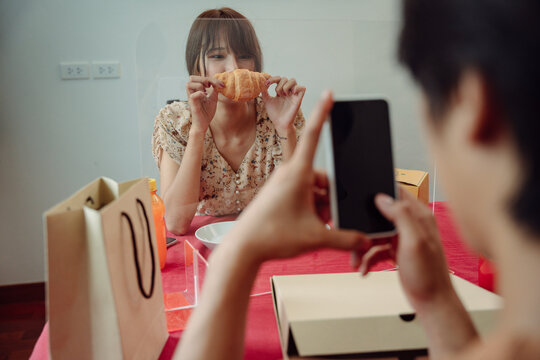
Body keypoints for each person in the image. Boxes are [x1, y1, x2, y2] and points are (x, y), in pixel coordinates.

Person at [175, 0, 540, 359]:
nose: (234, 67)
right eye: (219, 56)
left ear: (472, 107)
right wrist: (437, 299)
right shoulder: (180, 120)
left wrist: (234, 258)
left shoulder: (275, 116)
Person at [152, 8, 306, 234]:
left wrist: (285, 128)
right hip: (204, 247)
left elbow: (297, 212)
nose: (234, 67)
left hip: (269, 240)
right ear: (196, 65)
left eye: (244, 55)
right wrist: (198, 130)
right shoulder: (174, 122)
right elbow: (175, 223)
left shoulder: (280, 114)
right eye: (217, 56)